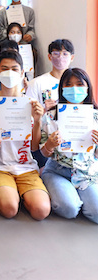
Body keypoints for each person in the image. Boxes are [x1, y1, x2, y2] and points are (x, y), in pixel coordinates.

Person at [0, 50, 50, 220]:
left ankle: (23, 194)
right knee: (9, 209)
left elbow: (34, 147)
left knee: (41, 211)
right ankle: (11, 194)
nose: (9, 73)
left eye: (14, 69)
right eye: (4, 69)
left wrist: (37, 121)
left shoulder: (32, 104)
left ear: (22, 72)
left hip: (26, 167)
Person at [40, 68, 98, 223]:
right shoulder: (50, 116)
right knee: (69, 209)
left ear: (88, 88)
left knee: (97, 213)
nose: (74, 89)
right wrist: (50, 144)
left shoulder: (95, 116)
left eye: (79, 84)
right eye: (68, 84)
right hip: (57, 170)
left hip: (87, 172)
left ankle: (80, 197)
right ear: (62, 88)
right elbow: (44, 153)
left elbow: (96, 155)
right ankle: (65, 194)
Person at [26, 39, 75, 110]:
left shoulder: (77, 83)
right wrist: (45, 110)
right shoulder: (36, 83)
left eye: (65, 54)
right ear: (49, 57)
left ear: (72, 57)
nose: (60, 57)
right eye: (56, 54)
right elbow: (29, 112)